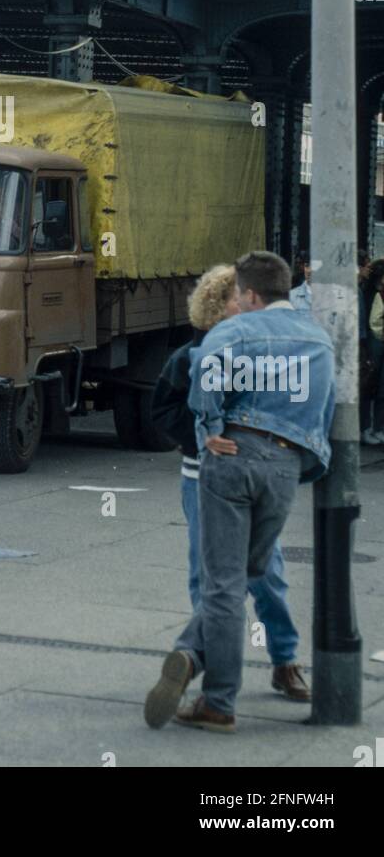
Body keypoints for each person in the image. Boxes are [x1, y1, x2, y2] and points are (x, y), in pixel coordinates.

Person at [144, 250, 335, 735]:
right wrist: (306, 455)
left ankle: (216, 697)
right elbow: (325, 400)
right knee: (257, 569)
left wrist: (208, 427)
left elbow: (203, 380)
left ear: (249, 294)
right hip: (285, 464)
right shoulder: (315, 337)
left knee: (221, 582)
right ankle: (263, 659)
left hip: (231, 458)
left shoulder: (231, 332)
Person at [362, 259, 384, 445]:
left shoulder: (368, 291)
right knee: (372, 384)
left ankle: (374, 427)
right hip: (374, 343)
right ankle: (371, 427)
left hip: (372, 341)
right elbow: (375, 323)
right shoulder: (374, 294)